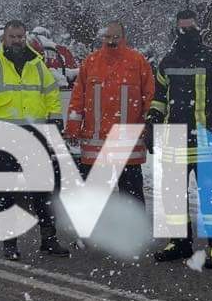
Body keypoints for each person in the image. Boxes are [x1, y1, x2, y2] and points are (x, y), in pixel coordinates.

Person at [0, 20, 70, 261]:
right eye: (12, 36)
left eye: (20, 36)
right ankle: (9, 244)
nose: (17, 40)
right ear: (4, 38)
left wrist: (55, 119)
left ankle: (49, 240)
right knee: (6, 191)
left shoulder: (37, 64)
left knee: (43, 190)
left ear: (26, 37)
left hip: (35, 135)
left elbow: (51, 93)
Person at [147, 9, 212, 269]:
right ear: (176, 29)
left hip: (206, 138)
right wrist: (152, 121)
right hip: (174, 139)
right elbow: (160, 97)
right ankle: (178, 242)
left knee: (211, 195)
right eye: (182, 28)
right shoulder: (168, 62)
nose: (186, 32)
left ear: (199, 28)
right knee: (173, 194)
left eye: (190, 27)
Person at [64, 21, 154, 204]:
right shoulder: (91, 62)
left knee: (132, 198)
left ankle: (133, 232)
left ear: (124, 37)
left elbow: (149, 98)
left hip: (128, 145)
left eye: (115, 36)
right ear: (102, 37)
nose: (111, 40)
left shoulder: (137, 62)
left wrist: (150, 127)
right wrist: (72, 128)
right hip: (95, 145)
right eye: (107, 36)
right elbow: (78, 98)